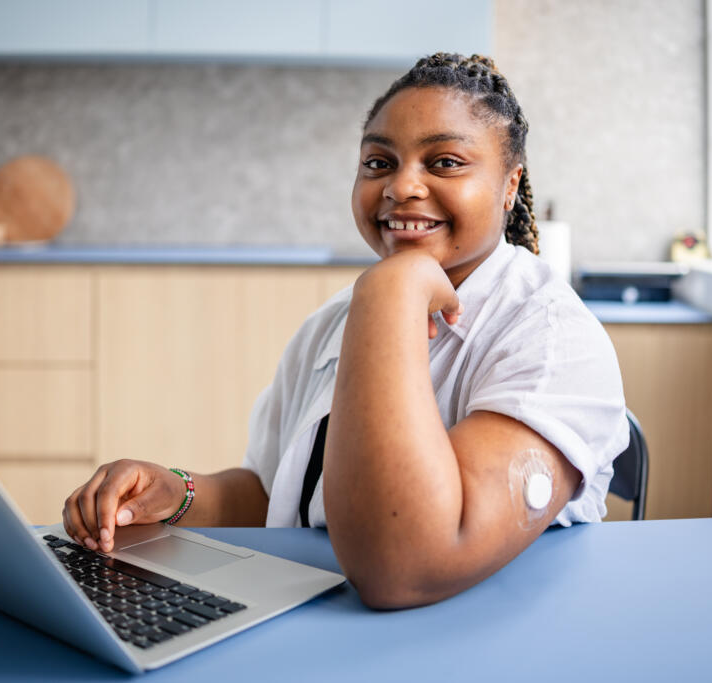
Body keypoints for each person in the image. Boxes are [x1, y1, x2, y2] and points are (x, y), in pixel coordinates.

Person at [63, 53, 628, 609]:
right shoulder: (334, 323)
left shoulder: (552, 340)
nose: (402, 186)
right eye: (378, 163)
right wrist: (178, 492)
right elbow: (275, 496)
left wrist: (393, 289)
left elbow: (405, 569)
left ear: (510, 185)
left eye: (445, 162)